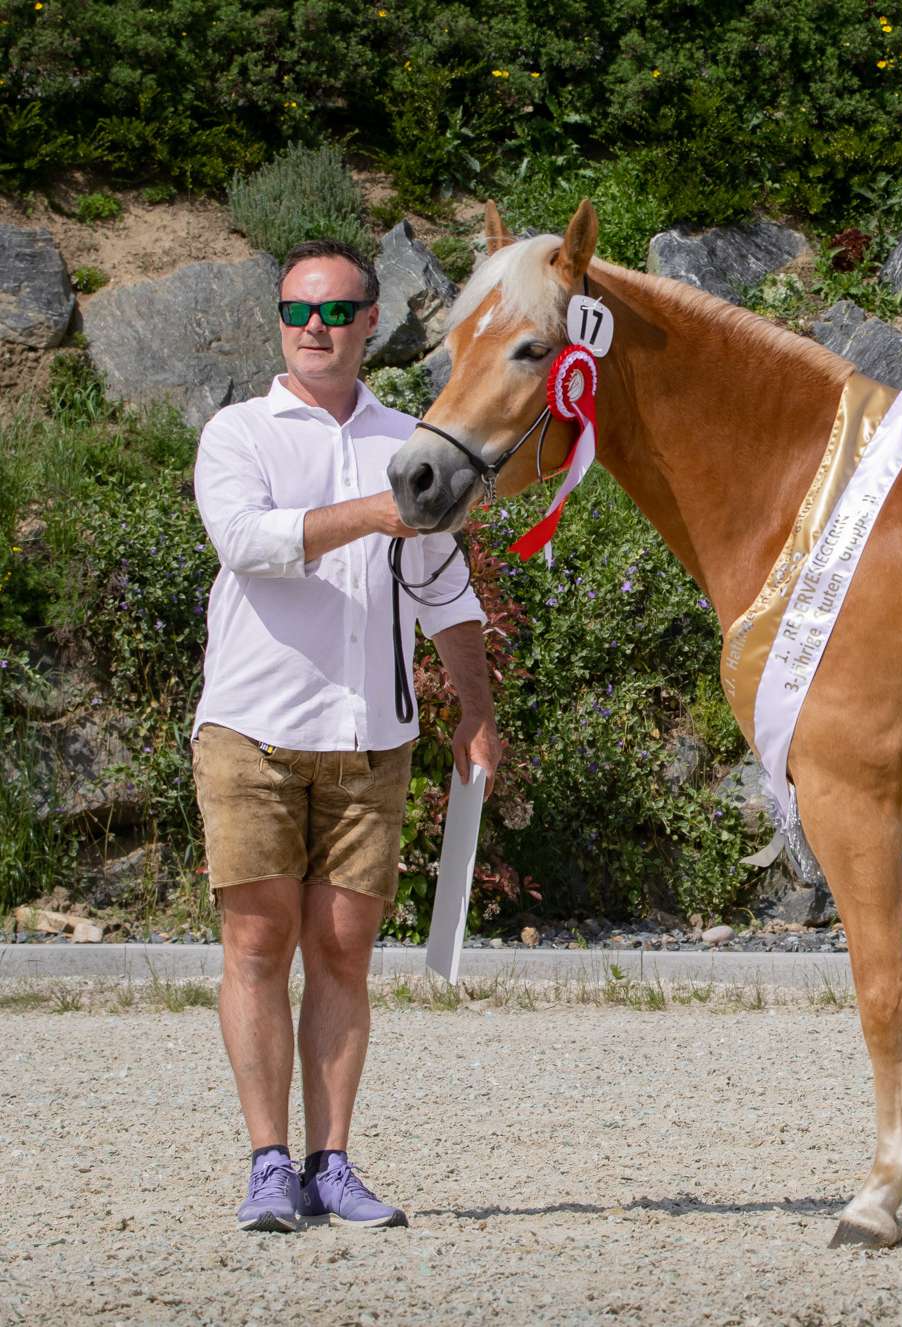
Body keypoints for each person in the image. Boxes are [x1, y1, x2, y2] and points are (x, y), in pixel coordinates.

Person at [190, 238, 501, 1232]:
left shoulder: (414, 439)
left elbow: (447, 590)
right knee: (255, 943)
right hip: (252, 730)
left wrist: (476, 711)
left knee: (344, 953)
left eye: (334, 311)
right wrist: (376, 510)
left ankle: (333, 1163)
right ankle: (268, 1163)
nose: (313, 328)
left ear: (372, 321)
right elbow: (250, 544)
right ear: (278, 322)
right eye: (296, 312)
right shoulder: (237, 433)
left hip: (373, 735)